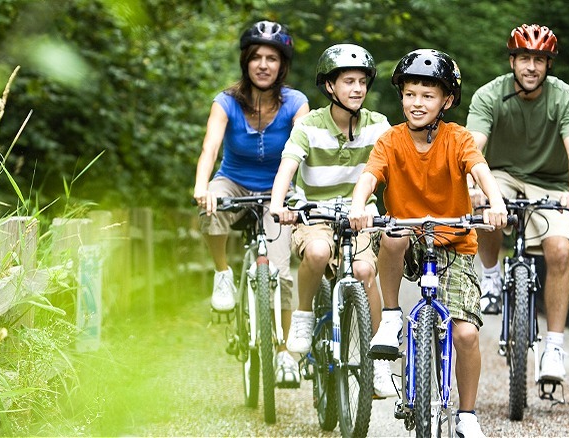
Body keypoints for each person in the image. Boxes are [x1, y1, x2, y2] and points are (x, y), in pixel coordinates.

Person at [348, 49, 508, 437]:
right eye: (410, 94)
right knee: (393, 233)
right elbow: (369, 178)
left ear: (447, 100)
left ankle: (467, 414)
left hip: (453, 243)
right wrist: (358, 205)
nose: (417, 103)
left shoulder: (458, 138)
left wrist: (497, 201)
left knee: (466, 332)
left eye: (428, 95)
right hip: (410, 238)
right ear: (401, 96)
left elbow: (480, 169)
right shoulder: (391, 140)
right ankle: (389, 318)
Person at [466, 24, 569, 383]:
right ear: (512, 61)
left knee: (560, 251)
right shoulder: (490, 95)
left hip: (550, 182)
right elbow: (474, 146)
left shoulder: (566, 98)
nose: (531, 67)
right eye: (524, 58)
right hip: (500, 173)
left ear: (548, 64)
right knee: (488, 210)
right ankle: (489, 279)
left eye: (539, 59)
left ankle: (553, 347)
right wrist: (475, 186)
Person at [269, 44, 393, 397]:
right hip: (314, 215)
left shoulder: (378, 125)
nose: (357, 89)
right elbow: (287, 168)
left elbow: (398, 167)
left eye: (362, 82)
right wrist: (280, 205)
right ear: (329, 87)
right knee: (319, 252)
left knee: (366, 271)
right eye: (348, 81)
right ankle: (305, 317)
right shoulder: (309, 126)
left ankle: (380, 363)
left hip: (360, 214)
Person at [192, 20, 310, 387]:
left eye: (271, 58)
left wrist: (300, 196)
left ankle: (283, 353)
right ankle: (223, 272)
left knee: (281, 272)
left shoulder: (296, 102)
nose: (263, 64)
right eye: (256, 57)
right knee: (212, 207)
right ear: (245, 62)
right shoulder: (226, 101)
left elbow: (305, 152)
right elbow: (210, 147)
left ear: (282, 64)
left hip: (278, 191)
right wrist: (202, 186)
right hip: (236, 183)